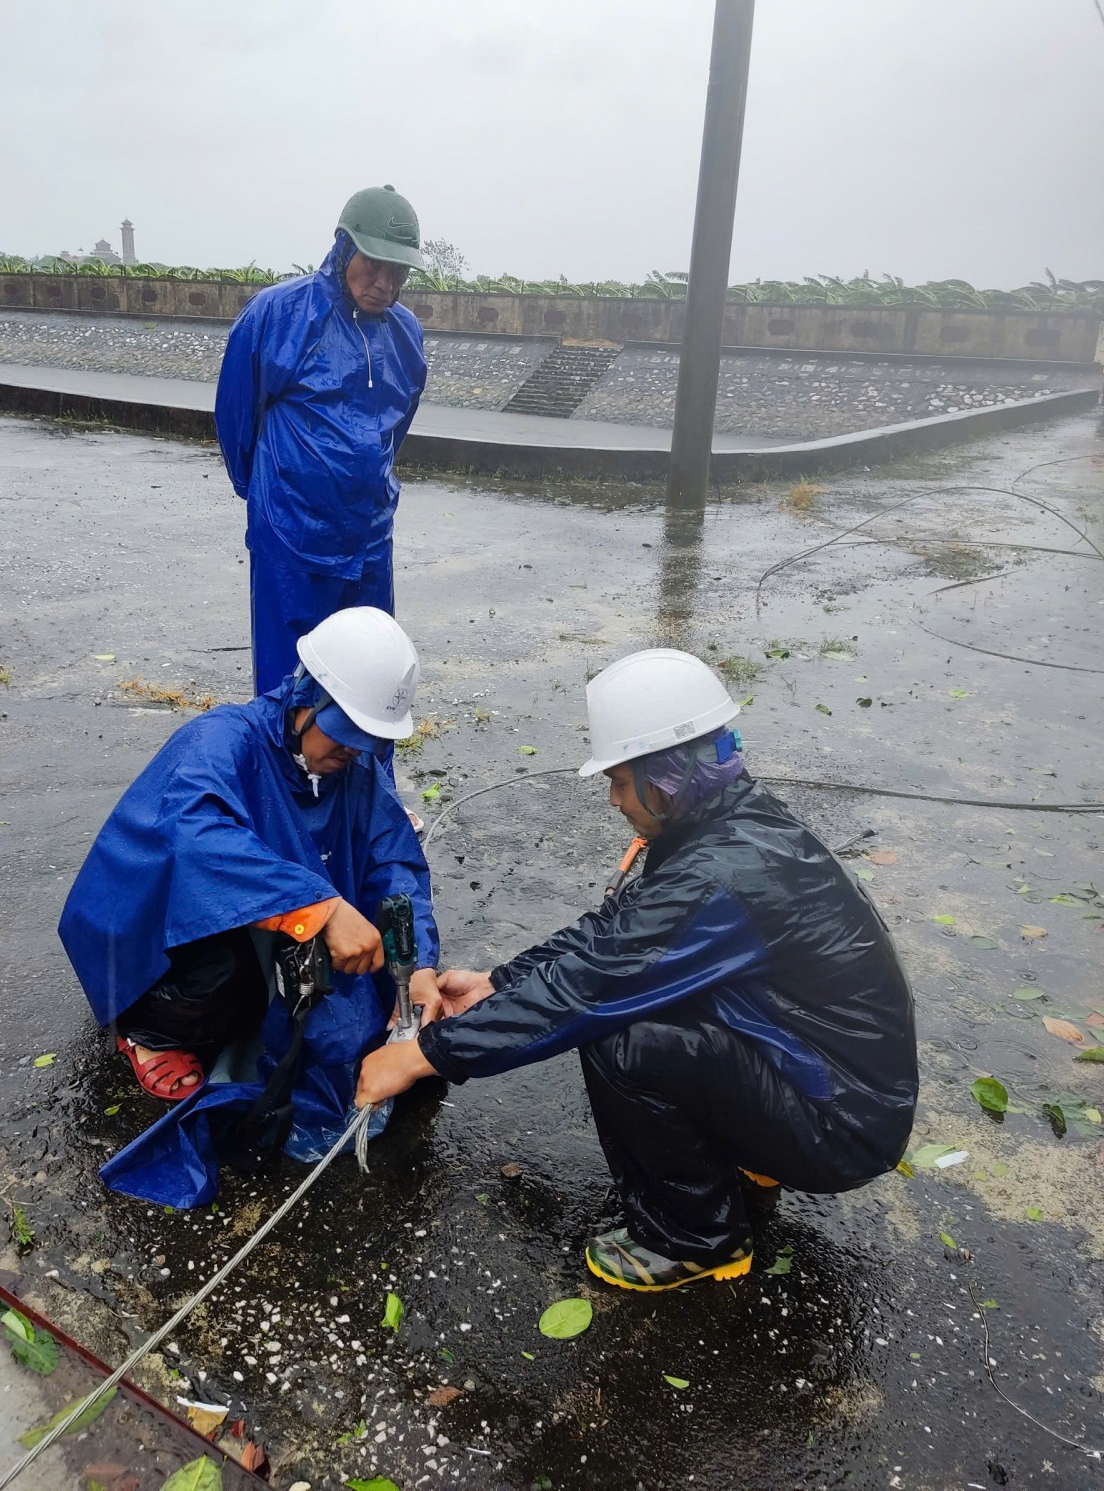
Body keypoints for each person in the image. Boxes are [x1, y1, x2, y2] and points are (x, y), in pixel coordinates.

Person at [356, 648, 919, 1292]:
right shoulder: (730, 827)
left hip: (842, 1122)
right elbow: (613, 936)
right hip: (830, 1082)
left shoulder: (721, 876)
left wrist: (425, 1054)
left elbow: (589, 988)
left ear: (667, 776)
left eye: (620, 780)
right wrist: (498, 984)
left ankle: (694, 1240)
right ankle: (755, 1152)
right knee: (642, 999)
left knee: (620, 1038)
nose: (614, 799)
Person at [59, 608, 441, 1173]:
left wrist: (419, 966)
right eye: (345, 736)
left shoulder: (352, 768)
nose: (354, 753)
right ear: (307, 699)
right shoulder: (220, 742)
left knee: (356, 987)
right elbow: (195, 841)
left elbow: (394, 863)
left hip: (274, 920)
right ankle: (146, 1033)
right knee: (224, 970)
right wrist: (321, 907)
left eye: (368, 742)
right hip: (155, 930)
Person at [214, 184, 427, 698]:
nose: (383, 282)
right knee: (290, 683)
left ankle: (364, 779)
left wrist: (366, 486)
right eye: (373, 263)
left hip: (369, 541)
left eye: (397, 270)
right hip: (291, 538)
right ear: (343, 248)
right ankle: (284, 778)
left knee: (369, 677)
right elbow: (237, 420)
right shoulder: (278, 315)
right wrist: (271, 496)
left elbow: (395, 427)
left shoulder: (405, 333)